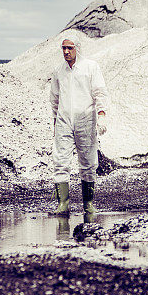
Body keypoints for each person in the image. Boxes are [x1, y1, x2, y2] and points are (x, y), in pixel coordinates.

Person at [49, 34, 108, 216]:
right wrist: (55, 122)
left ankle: (88, 204)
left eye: (70, 48)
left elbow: (99, 91)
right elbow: (55, 99)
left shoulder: (90, 67)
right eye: (64, 48)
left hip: (85, 120)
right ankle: (63, 204)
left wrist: (102, 114)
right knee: (60, 161)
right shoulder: (59, 71)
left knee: (88, 162)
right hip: (64, 120)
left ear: (77, 48)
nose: (66, 51)